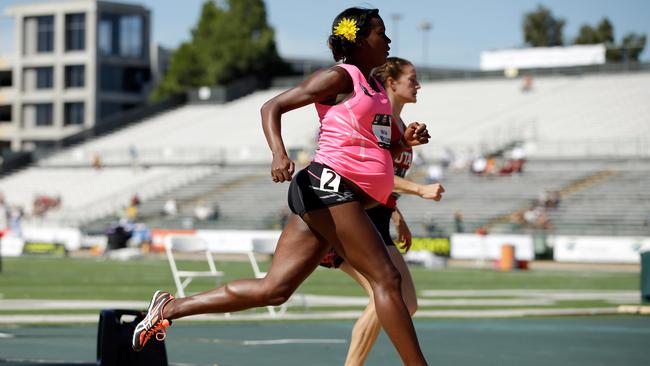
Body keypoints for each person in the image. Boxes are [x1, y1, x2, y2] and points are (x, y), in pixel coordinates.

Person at [132, 8, 429, 365]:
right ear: (361, 40)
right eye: (381, 33)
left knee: (275, 290)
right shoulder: (340, 76)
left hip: (335, 197)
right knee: (387, 280)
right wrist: (278, 153)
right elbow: (272, 106)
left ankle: (169, 308)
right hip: (328, 187)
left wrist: (404, 142)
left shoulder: (376, 89)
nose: (389, 40)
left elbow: (376, 148)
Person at [319, 57, 445, 366]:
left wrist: (396, 214)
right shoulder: (376, 119)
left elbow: (383, 182)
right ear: (391, 82)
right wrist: (420, 189)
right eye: (411, 79)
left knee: (407, 302)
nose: (417, 85)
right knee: (386, 294)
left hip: (377, 221)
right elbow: (368, 173)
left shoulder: (402, 128)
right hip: (348, 217)